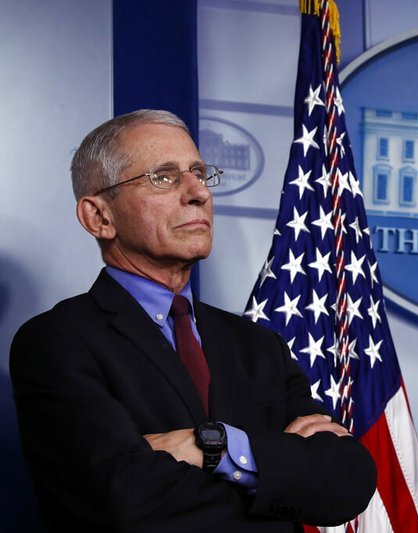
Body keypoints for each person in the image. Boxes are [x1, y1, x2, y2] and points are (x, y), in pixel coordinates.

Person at [10, 109, 377, 532]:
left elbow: (349, 480)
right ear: (99, 217)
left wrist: (213, 447)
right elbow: (123, 503)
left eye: (200, 173)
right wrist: (277, 478)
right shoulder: (58, 341)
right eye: (163, 177)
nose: (198, 193)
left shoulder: (258, 345)